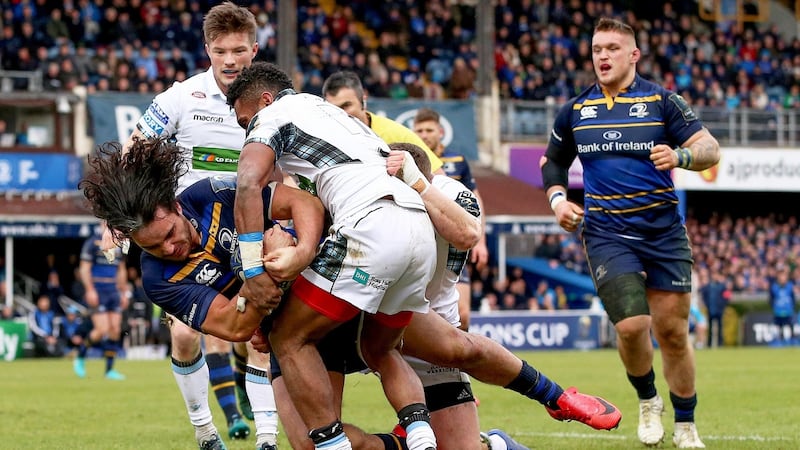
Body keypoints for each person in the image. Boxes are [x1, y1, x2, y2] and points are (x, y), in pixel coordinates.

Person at [227, 61, 439, 450]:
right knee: (381, 349)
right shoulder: (335, 115)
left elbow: (247, 183)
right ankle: (421, 437)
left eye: (245, 121)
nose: (247, 130)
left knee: (288, 337)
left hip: (371, 226)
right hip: (417, 228)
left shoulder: (273, 115)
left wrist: (253, 266)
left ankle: (330, 443)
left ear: (265, 99)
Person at [539, 17, 720, 449]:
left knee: (673, 332)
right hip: (607, 233)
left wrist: (680, 155)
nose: (602, 56)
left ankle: (686, 423)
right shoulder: (576, 110)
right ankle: (647, 400)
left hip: (663, 233)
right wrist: (558, 200)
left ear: (633, 54)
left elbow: (710, 148)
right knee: (632, 326)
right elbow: (552, 162)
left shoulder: (663, 102)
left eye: (612, 48)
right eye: (597, 48)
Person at [80, 137, 325, 450]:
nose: (169, 249)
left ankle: (265, 436)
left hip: (320, 297)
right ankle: (207, 431)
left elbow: (304, 203)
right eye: (152, 246)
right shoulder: (158, 278)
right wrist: (265, 273)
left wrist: (299, 251)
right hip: (284, 332)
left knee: (390, 357)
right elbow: (234, 326)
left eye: (169, 234)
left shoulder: (214, 195)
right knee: (310, 443)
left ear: (177, 207)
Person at [119, 2, 261, 445]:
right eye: (221, 51)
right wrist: (117, 217)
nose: (230, 61)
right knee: (184, 333)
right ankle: (205, 431)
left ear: (255, 49)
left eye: (239, 50)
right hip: (188, 231)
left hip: (250, 228)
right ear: (207, 50)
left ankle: (270, 434)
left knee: (262, 332)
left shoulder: (274, 99)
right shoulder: (182, 97)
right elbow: (134, 150)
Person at [413, 107, 489, 331]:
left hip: (453, 245)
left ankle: (458, 361)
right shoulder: (412, 160)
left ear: (440, 132)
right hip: (423, 245)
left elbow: (475, 199)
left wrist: (481, 241)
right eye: (419, 130)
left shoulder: (457, 161)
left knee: (462, 316)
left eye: (429, 130)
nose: (424, 135)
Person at [319, 71, 443, 174]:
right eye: (334, 108)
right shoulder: (323, 141)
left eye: (346, 105)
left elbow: (440, 178)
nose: (341, 113)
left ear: (363, 101)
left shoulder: (396, 133)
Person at [76, 224, 128, 379]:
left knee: (115, 329)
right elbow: (84, 268)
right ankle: (80, 356)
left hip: (113, 289)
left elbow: (121, 269)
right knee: (102, 329)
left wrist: (124, 292)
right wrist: (89, 289)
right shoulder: (92, 242)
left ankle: (109, 370)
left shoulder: (120, 243)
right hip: (98, 289)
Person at [768, 268, 796, 346]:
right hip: (778, 311)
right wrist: (773, 306)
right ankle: (780, 341)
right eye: (781, 276)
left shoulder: (790, 286)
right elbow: (771, 299)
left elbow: (793, 298)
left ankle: (792, 340)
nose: (783, 278)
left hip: (788, 310)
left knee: (790, 325)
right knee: (779, 326)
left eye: (784, 276)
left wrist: (792, 306)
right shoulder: (774, 287)